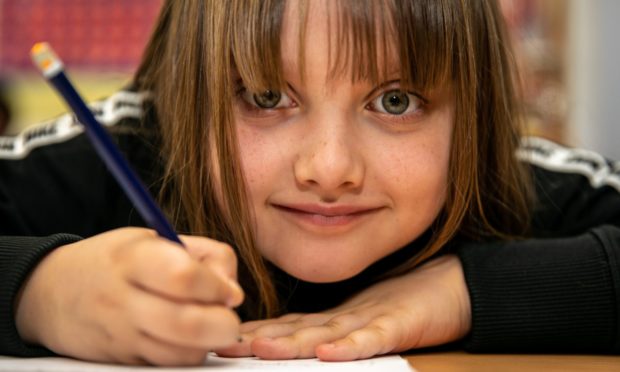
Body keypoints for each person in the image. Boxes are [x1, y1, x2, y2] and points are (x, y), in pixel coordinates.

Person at [1, 0, 618, 366]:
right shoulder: (125, 152)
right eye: (267, 96)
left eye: (396, 101)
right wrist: (40, 292)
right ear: (187, 96)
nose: (327, 167)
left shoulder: (503, 181)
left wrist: (466, 293)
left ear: (473, 114)